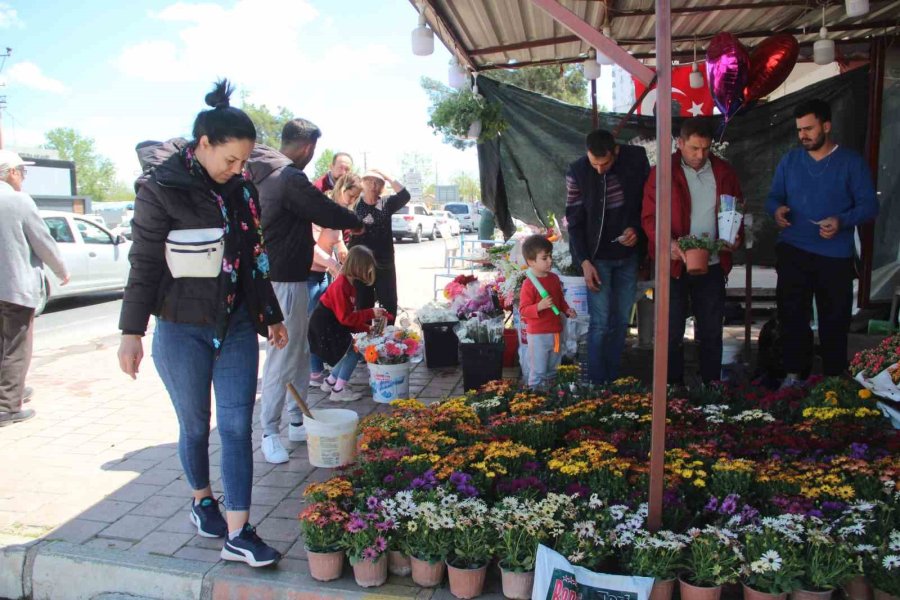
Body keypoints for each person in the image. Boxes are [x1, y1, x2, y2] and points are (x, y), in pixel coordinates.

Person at [117, 80, 288, 567]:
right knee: (196, 425)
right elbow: (145, 262)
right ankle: (201, 500)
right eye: (230, 159)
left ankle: (238, 532)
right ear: (204, 143)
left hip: (234, 325)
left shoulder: (242, 190)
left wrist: (270, 316)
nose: (238, 169)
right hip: (180, 326)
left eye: (245, 161)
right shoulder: (161, 188)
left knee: (237, 427)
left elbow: (255, 257)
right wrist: (132, 333)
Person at [247, 120, 363, 464]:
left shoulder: (269, 173)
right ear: (309, 147)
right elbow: (322, 208)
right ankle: (269, 431)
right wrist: (354, 221)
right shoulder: (288, 177)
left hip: (292, 279)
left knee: (298, 352)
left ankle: (297, 420)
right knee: (282, 358)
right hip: (282, 282)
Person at [766, 98, 878, 385]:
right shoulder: (790, 160)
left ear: (826, 126)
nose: (803, 135)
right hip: (793, 249)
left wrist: (841, 221)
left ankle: (832, 380)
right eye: (799, 129)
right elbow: (773, 198)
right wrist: (776, 211)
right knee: (792, 316)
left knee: (835, 319)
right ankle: (793, 375)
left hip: (835, 254)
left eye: (809, 128)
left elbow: (869, 206)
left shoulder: (851, 162)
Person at [641, 117, 743, 385]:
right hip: (673, 265)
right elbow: (649, 218)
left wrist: (734, 238)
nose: (700, 155)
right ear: (680, 143)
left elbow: (736, 210)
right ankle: (672, 389)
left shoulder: (724, 172)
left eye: (706, 149)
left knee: (710, 330)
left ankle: (710, 386)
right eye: (694, 149)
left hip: (711, 263)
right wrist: (669, 245)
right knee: (671, 331)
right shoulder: (662, 172)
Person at [565, 129, 650, 384]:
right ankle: (595, 385)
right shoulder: (578, 172)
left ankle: (612, 381)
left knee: (622, 321)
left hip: (629, 256)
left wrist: (636, 229)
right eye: (594, 164)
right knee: (600, 324)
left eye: (605, 164)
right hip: (597, 257)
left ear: (616, 151)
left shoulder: (636, 159)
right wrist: (584, 261)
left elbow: (648, 202)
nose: (600, 170)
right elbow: (574, 221)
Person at [0, 150, 69, 426]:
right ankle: (7, 406)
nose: (23, 178)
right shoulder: (18, 200)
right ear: (12, 172)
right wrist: (61, 270)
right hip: (15, 286)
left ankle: (10, 389)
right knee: (17, 345)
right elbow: (42, 240)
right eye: (23, 172)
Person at [308, 245, 390, 401]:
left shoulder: (347, 284)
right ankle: (338, 390)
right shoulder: (342, 285)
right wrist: (370, 313)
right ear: (359, 267)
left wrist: (367, 328)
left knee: (347, 352)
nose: (368, 272)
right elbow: (345, 318)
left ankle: (331, 382)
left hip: (330, 324)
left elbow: (348, 317)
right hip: (326, 326)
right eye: (367, 268)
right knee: (353, 351)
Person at [309, 172, 362, 389]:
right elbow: (311, 249)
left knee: (325, 323)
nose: (352, 202)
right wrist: (334, 265)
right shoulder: (320, 211)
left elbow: (338, 242)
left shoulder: (336, 215)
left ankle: (326, 370)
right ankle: (315, 372)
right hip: (309, 276)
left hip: (323, 275)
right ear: (341, 189)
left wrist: (346, 257)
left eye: (355, 198)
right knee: (313, 325)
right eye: (351, 196)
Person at [348, 169, 409, 321]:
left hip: (384, 262)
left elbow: (405, 195)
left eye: (378, 182)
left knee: (388, 303)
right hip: (361, 264)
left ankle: (387, 338)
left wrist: (387, 176)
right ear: (363, 183)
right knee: (363, 304)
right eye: (370, 181)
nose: (374, 185)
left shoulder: (385, 203)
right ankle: (365, 339)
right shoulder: (355, 204)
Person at [519, 235, 576, 389]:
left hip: (556, 332)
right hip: (538, 335)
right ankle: (534, 398)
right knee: (538, 370)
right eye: (544, 258)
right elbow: (523, 310)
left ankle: (551, 396)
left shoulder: (554, 279)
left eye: (550, 256)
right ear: (531, 262)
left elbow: (560, 300)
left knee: (553, 369)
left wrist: (567, 309)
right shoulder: (528, 284)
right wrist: (539, 306)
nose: (550, 261)